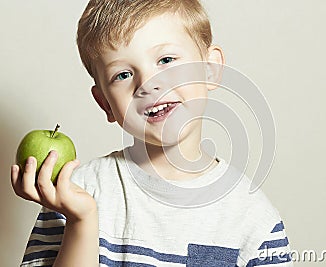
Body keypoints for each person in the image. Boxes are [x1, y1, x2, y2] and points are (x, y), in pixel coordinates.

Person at [11, 0, 294, 266]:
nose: (148, 84)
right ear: (105, 104)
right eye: (123, 75)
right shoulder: (75, 195)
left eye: (166, 60)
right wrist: (81, 221)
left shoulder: (252, 218)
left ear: (210, 69)